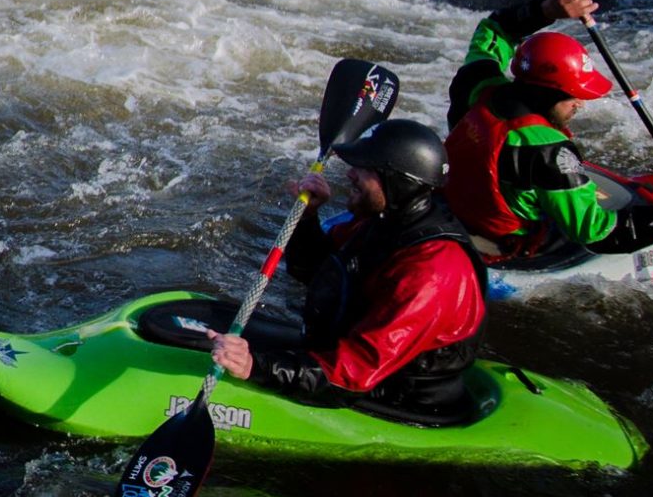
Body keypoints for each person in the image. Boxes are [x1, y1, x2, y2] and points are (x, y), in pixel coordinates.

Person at [206, 119, 486, 420]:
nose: (351, 174)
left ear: (395, 181)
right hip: (356, 360)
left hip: (397, 397)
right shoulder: (383, 221)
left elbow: (356, 373)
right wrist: (308, 217)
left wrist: (256, 367)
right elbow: (315, 273)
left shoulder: (432, 272)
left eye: (364, 168)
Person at [442, 0, 653, 261]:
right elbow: (596, 233)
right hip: (502, 244)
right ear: (547, 93)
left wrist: (547, 10)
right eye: (573, 97)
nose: (581, 104)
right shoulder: (549, 152)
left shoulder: (477, 82)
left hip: (450, 208)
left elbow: (494, 28)